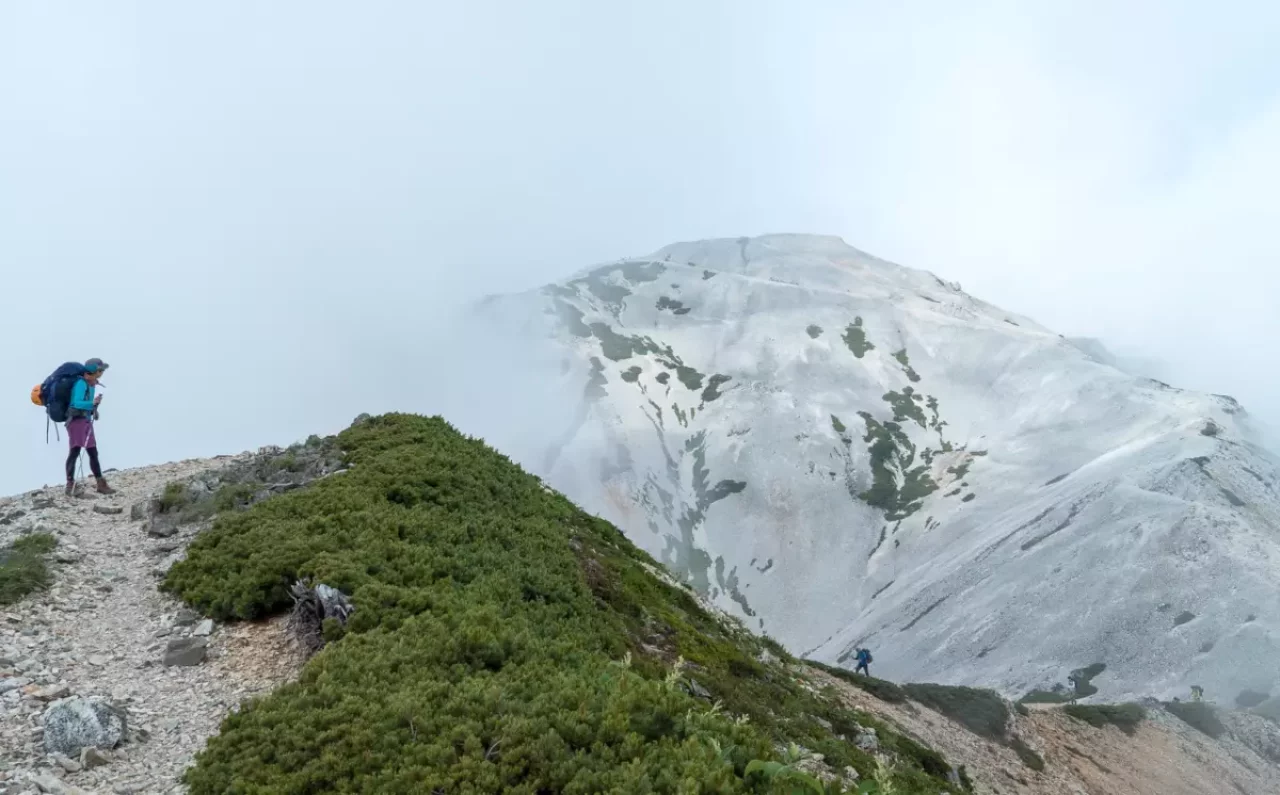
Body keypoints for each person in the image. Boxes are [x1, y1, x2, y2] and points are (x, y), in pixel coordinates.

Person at [65, 358, 115, 496]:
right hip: (76, 421)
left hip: (84, 421)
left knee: (92, 452)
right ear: (94, 370)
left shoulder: (91, 385)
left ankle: (100, 483)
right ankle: (70, 485)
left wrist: (93, 408)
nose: (102, 373)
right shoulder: (81, 384)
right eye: (100, 370)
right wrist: (91, 403)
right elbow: (76, 403)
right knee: (76, 451)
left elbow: (86, 403)